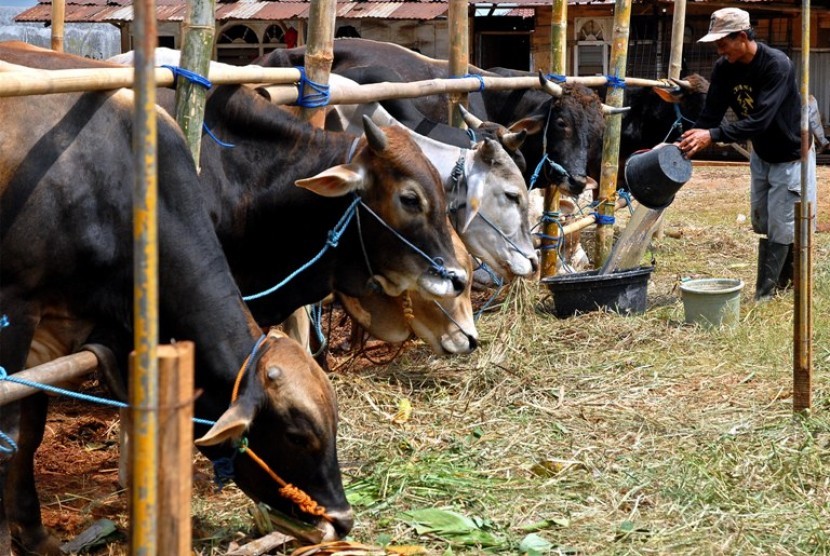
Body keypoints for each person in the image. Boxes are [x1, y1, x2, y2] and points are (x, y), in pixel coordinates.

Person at [678, 7, 817, 301]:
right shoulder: (724, 68)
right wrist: (689, 140)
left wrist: (712, 136)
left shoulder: (776, 65)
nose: (719, 49)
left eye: (722, 42)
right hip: (763, 154)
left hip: (791, 155)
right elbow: (711, 114)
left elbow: (760, 120)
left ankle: (765, 295)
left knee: (782, 223)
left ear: (741, 36)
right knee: (765, 221)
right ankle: (784, 282)